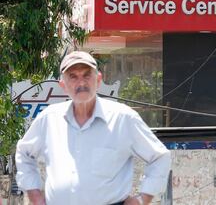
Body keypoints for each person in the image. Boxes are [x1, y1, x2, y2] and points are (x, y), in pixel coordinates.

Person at [15, 51, 171, 205]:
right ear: (63, 85)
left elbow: (159, 157)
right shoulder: (49, 119)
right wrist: (35, 196)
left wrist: (142, 199)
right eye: (73, 77)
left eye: (86, 75)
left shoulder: (123, 118)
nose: (81, 83)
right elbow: (24, 153)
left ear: (98, 79)